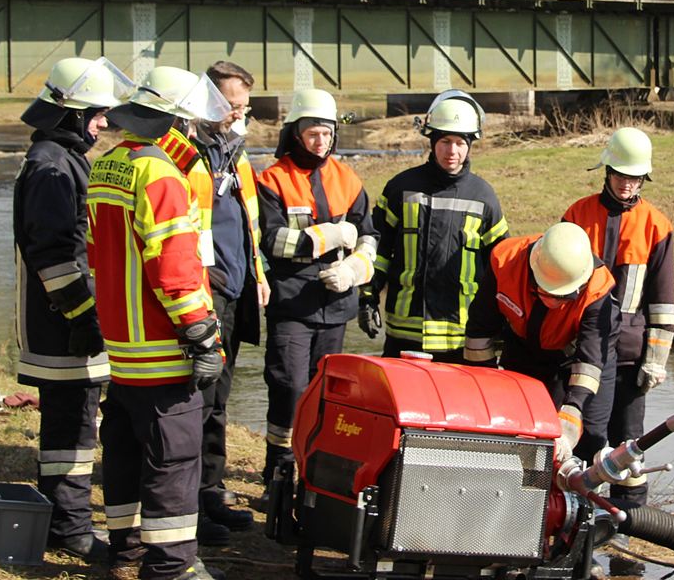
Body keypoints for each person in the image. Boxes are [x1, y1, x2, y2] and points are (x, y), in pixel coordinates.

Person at [87, 65, 232, 580]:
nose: (192, 134)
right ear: (170, 123)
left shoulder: (107, 165)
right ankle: (172, 565)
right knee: (174, 458)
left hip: (121, 348)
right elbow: (176, 271)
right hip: (162, 349)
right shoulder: (161, 175)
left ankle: (124, 549)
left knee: (124, 451)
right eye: (188, 124)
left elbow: (95, 253)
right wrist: (202, 334)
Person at [14, 56, 133, 563]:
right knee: (72, 429)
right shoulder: (53, 166)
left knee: (73, 425)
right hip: (62, 324)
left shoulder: (60, 158)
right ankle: (69, 528)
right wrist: (84, 318)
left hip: (64, 320)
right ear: (70, 114)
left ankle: (65, 520)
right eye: (96, 113)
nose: (103, 122)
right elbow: (55, 255)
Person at [256, 88, 377, 484]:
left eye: (326, 134)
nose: (320, 142)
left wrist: (356, 270)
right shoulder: (273, 179)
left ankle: (315, 473)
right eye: (312, 133)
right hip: (292, 303)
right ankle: (278, 470)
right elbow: (271, 240)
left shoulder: (348, 178)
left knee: (328, 394)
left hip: (337, 303)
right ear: (296, 132)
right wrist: (326, 237)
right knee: (289, 386)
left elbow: (368, 235)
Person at [561, 127, 674, 508]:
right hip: (581, 349)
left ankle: (630, 525)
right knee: (585, 438)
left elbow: (662, 302)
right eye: (621, 174)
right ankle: (578, 520)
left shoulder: (656, 224)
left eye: (635, 176)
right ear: (606, 171)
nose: (627, 184)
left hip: (629, 354)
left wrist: (655, 361)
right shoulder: (578, 214)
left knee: (629, 443)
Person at [363, 90, 508, 361]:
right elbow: (379, 250)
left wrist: (501, 320)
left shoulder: (483, 196)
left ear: (470, 145)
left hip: (461, 334)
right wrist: (368, 295)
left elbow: (500, 267)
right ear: (432, 141)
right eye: (445, 141)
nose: (452, 151)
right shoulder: (401, 188)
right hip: (404, 332)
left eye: (459, 143)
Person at [191, 61, 269, 542]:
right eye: (232, 106)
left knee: (218, 401)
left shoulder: (234, 152)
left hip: (237, 291)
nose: (239, 114)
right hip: (205, 292)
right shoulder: (189, 153)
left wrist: (258, 276)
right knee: (195, 402)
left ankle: (210, 493)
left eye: (244, 107)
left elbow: (247, 223)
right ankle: (189, 507)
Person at [464, 221, 615, 465]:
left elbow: (590, 360)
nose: (555, 302)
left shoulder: (597, 289)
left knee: (590, 437)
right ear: (534, 271)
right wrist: (488, 390)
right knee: (516, 427)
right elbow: (479, 332)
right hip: (523, 348)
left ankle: (574, 496)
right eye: (548, 293)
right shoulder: (505, 261)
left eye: (564, 297)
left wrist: (570, 419)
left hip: (574, 357)